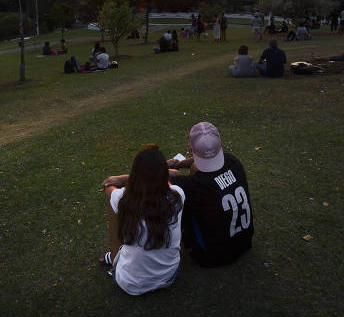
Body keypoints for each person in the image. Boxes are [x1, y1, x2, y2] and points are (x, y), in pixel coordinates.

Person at [99, 144, 185, 295]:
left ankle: (114, 257)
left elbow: (108, 185)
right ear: (164, 175)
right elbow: (173, 178)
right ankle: (116, 256)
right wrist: (166, 171)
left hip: (129, 283)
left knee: (114, 205)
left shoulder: (123, 197)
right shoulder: (177, 195)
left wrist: (122, 178)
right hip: (168, 276)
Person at [164, 122, 253, 267]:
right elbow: (195, 162)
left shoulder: (192, 185)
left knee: (173, 186)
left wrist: (169, 167)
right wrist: (179, 163)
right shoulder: (233, 161)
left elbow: (156, 176)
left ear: (190, 148)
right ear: (221, 144)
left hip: (211, 256)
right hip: (244, 242)